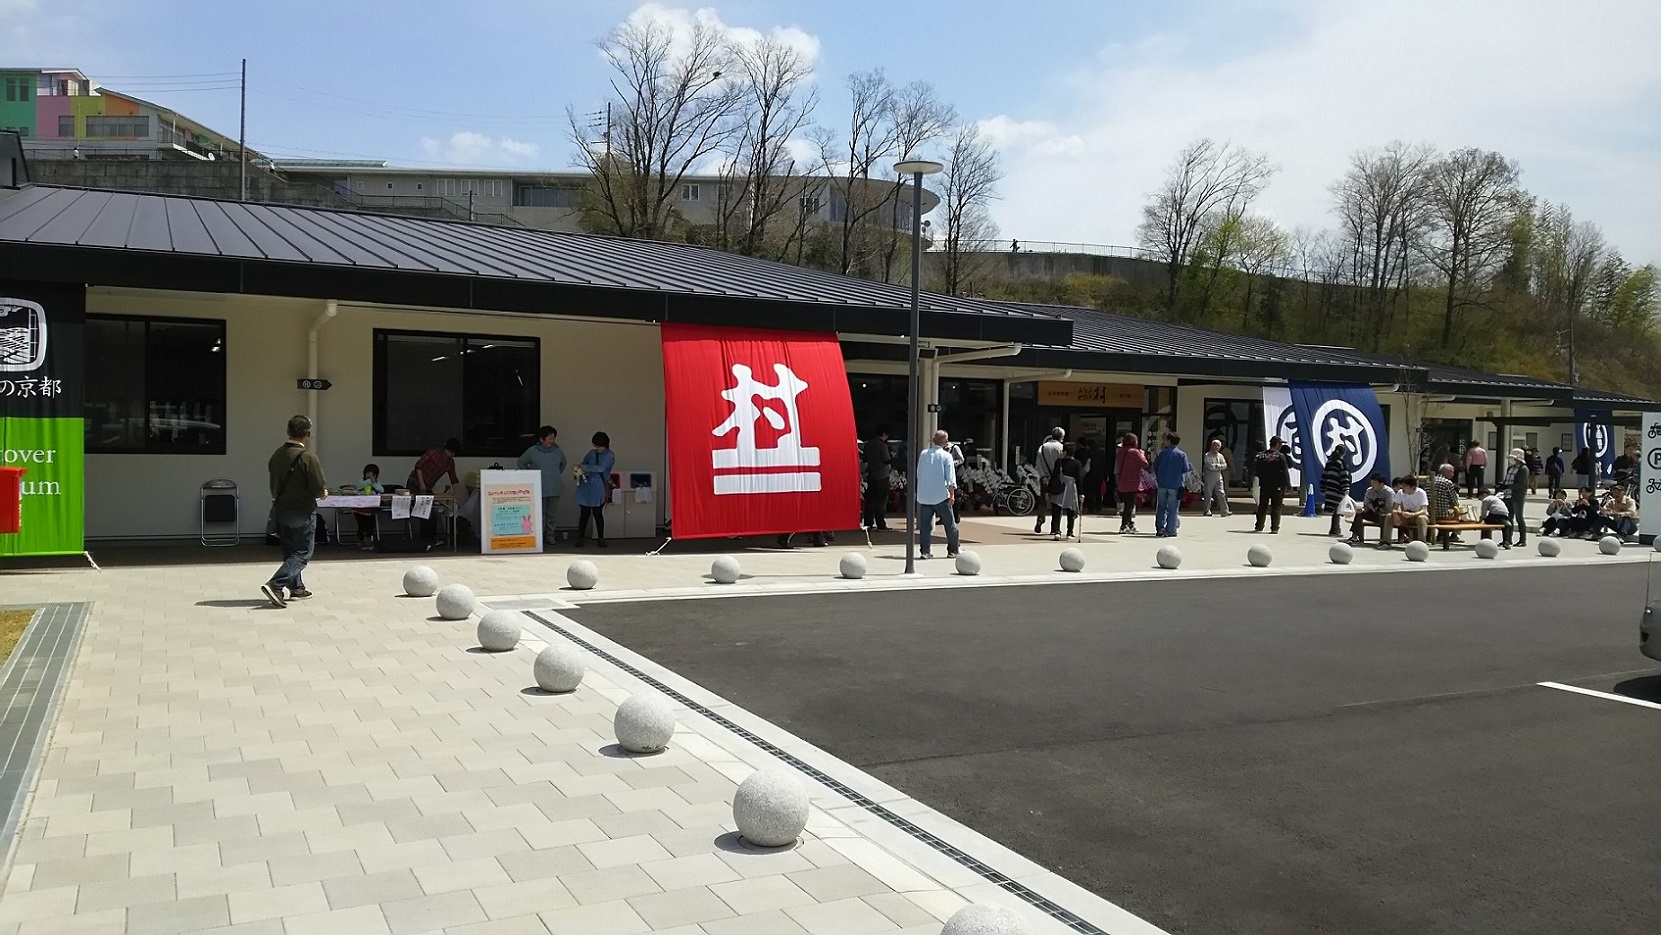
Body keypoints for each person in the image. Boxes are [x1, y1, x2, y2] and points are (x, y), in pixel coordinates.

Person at [262, 415, 327, 608]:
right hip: (302, 510)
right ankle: (276, 584)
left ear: (288, 431)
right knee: (302, 552)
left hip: (281, 509)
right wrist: (322, 492)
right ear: (308, 434)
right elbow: (317, 487)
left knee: (290, 551)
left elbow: (274, 484)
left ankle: (296, 587)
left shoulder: (277, 455)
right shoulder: (308, 457)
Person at [517, 425, 568, 551]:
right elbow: (521, 463)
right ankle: (539, 536)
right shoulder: (532, 451)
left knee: (552, 514)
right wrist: (531, 474)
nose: (552, 440)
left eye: (553, 438)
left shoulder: (557, 451)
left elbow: (563, 464)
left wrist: (555, 474)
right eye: (549, 438)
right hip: (538, 488)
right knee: (539, 514)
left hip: (555, 487)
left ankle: (550, 536)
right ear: (541, 439)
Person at [914, 429, 960, 559]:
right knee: (950, 524)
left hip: (925, 496)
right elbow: (950, 478)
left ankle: (925, 551)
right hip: (941, 495)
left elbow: (919, 473)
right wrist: (952, 495)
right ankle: (953, 550)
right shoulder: (946, 456)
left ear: (934, 440)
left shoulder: (923, 454)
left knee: (925, 527)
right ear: (945, 442)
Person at [408, 437, 460, 545]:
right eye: (449, 451)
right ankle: (426, 539)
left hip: (428, 487)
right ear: (445, 448)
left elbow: (453, 478)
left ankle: (430, 538)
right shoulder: (432, 453)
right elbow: (418, 466)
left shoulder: (450, 462)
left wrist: (456, 495)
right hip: (415, 482)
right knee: (425, 510)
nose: (450, 454)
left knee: (432, 511)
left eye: (452, 453)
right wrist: (422, 484)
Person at [572, 432, 615, 547]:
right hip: (586, 484)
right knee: (584, 513)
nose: (597, 448)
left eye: (599, 446)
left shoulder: (609, 455)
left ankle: (601, 538)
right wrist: (579, 469)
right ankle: (580, 537)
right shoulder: (591, 453)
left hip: (599, 485)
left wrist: (584, 467)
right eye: (595, 446)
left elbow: (601, 468)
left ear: (605, 445)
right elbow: (583, 463)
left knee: (597, 512)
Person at [1151, 433, 1191, 538]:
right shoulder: (1182, 455)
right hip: (1175, 484)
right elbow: (1185, 469)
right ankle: (1171, 529)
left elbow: (1155, 467)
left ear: (1168, 441)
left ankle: (1160, 528)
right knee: (1173, 508)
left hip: (1162, 484)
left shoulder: (1161, 453)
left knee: (1161, 507)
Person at [1253, 436, 1293, 534]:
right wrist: (1288, 485)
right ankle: (1274, 528)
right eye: (1280, 444)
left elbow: (1257, 471)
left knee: (1262, 506)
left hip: (1265, 485)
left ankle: (1259, 526)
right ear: (1277, 444)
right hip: (1277, 485)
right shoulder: (1280, 456)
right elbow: (1285, 472)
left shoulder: (1261, 456)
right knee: (1276, 507)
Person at [1114, 433, 1148, 534]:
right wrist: (1142, 454)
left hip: (1121, 481)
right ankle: (1124, 525)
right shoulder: (1135, 452)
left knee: (1127, 504)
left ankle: (1130, 524)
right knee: (1130, 505)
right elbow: (1145, 464)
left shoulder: (1121, 452)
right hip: (1132, 482)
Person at [1033, 428, 1066, 534]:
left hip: (1045, 478)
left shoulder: (1042, 447)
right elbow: (1063, 465)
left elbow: (1038, 463)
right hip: (1058, 479)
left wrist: (1043, 476)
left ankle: (1040, 520)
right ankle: (1055, 527)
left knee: (1043, 502)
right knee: (1057, 504)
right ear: (1061, 437)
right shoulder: (1061, 448)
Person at [1048, 442, 1083, 541]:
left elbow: (1054, 476)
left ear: (1065, 451)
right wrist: (1081, 493)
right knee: (1071, 509)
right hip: (1071, 487)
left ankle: (1057, 531)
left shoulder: (1059, 462)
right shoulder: (1077, 463)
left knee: (1057, 509)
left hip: (1059, 486)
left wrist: (1049, 490)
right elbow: (1079, 479)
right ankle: (1070, 532)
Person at [1348, 473, 1393, 546]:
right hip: (1373, 513)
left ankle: (1383, 539)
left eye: (1374, 483)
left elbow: (1389, 508)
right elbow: (1366, 505)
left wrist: (1379, 506)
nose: (1372, 485)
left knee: (1384, 516)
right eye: (1371, 483)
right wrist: (1362, 510)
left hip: (1384, 515)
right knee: (1360, 514)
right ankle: (1354, 537)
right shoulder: (1369, 491)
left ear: (1381, 484)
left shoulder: (1389, 492)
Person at [862, 426, 893, 530]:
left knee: (870, 501)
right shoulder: (882, 445)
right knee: (881, 501)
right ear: (883, 434)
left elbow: (865, 459)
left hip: (871, 475)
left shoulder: (868, 444)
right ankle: (880, 523)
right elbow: (886, 459)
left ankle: (868, 522)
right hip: (882, 476)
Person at [1319, 444, 1352, 536]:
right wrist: (1346, 488)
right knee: (1338, 510)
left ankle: (1335, 528)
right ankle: (1335, 528)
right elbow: (1344, 476)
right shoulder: (1341, 463)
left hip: (1330, 489)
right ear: (1343, 453)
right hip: (1338, 489)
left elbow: (1324, 476)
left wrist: (1323, 488)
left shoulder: (1329, 462)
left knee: (1335, 510)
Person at [1389, 475, 1429, 547]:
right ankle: (1386, 541)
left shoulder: (1421, 493)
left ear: (1412, 487)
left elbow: (1424, 510)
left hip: (1418, 515)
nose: (1402, 487)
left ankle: (1421, 544)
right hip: (1405, 515)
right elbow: (1394, 507)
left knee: (1421, 519)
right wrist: (1395, 515)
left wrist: (1413, 514)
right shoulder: (1400, 492)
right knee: (1389, 516)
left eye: (1404, 486)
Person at [1501, 447, 1530, 546]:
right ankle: (1508, 539)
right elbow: (1507, 479)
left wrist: (1508, 486)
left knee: (1519, 517)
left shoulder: (1524, 469)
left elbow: (1521, 484)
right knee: (1509, 518)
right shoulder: (1510, 468)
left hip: (1518, 496)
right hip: (1507, 495)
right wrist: (1502, 485)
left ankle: (1522, 540)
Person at [352, 463, 384, 552]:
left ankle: (368, 540)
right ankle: (360, 541)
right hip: (360, 508)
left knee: (370, 526)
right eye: (368, 474)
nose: (370, 476)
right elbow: (358, 486)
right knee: (361, 525)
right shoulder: (361, 481)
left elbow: (381, 490)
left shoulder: (376, 483)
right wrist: (369, 481)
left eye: (373, 474)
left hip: (371, 509)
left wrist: (373, 482)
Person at [1430, 464, 1461, 546]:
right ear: (1446, 472)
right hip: (1443, 514)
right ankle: (1454, 535)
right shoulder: (1447, 483)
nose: (1453, 474)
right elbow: (1455, 501)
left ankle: (1441, 534)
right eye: (1452, 472)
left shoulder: (1429, 481)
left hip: (1429, 512)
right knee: (1461, 513)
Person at [1202, 438, 1231, 517]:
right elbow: (1210, 466)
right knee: (1208, 494)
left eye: (1218, 446)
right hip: (1209, 477)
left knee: (1222, 493)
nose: (1217, 447)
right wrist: (1219, 467)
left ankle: (1225, 511)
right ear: (1212, 446)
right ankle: (1207, 510)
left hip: (1218, 477)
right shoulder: (1207, 455)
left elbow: (1225, 465)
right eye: (1215, 446)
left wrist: (1218, 466)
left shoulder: (1220, 456)